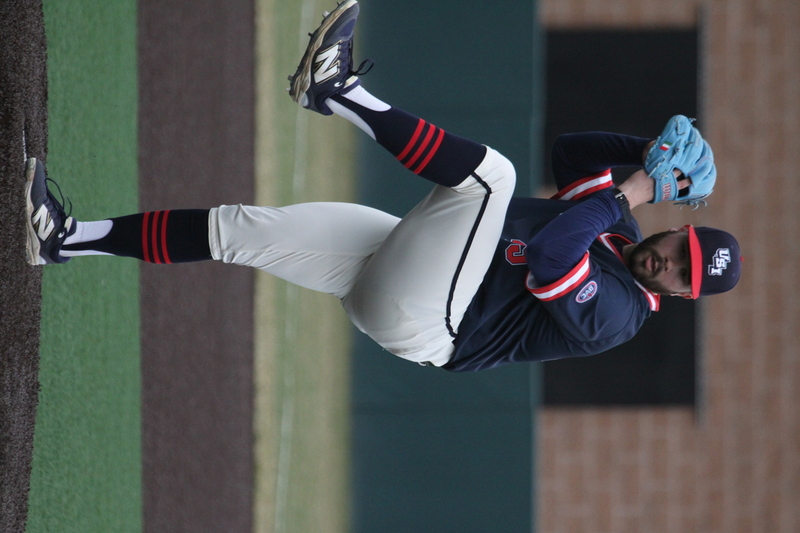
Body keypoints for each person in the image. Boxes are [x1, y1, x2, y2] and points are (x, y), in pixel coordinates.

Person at [25, 0, 741, 372]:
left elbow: (555, 255)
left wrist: (634, 190)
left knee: (493, 178)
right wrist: (644, 154)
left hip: (434, 322)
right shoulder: (620, 226)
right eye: (682, 251)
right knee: (238, 228)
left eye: (684, 275)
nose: (671, 264)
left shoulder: (620, 315)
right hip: (408, 272)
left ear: (683, 297)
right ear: (681, 229)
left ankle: (336, 92)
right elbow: (571, 153)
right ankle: (64, 239)